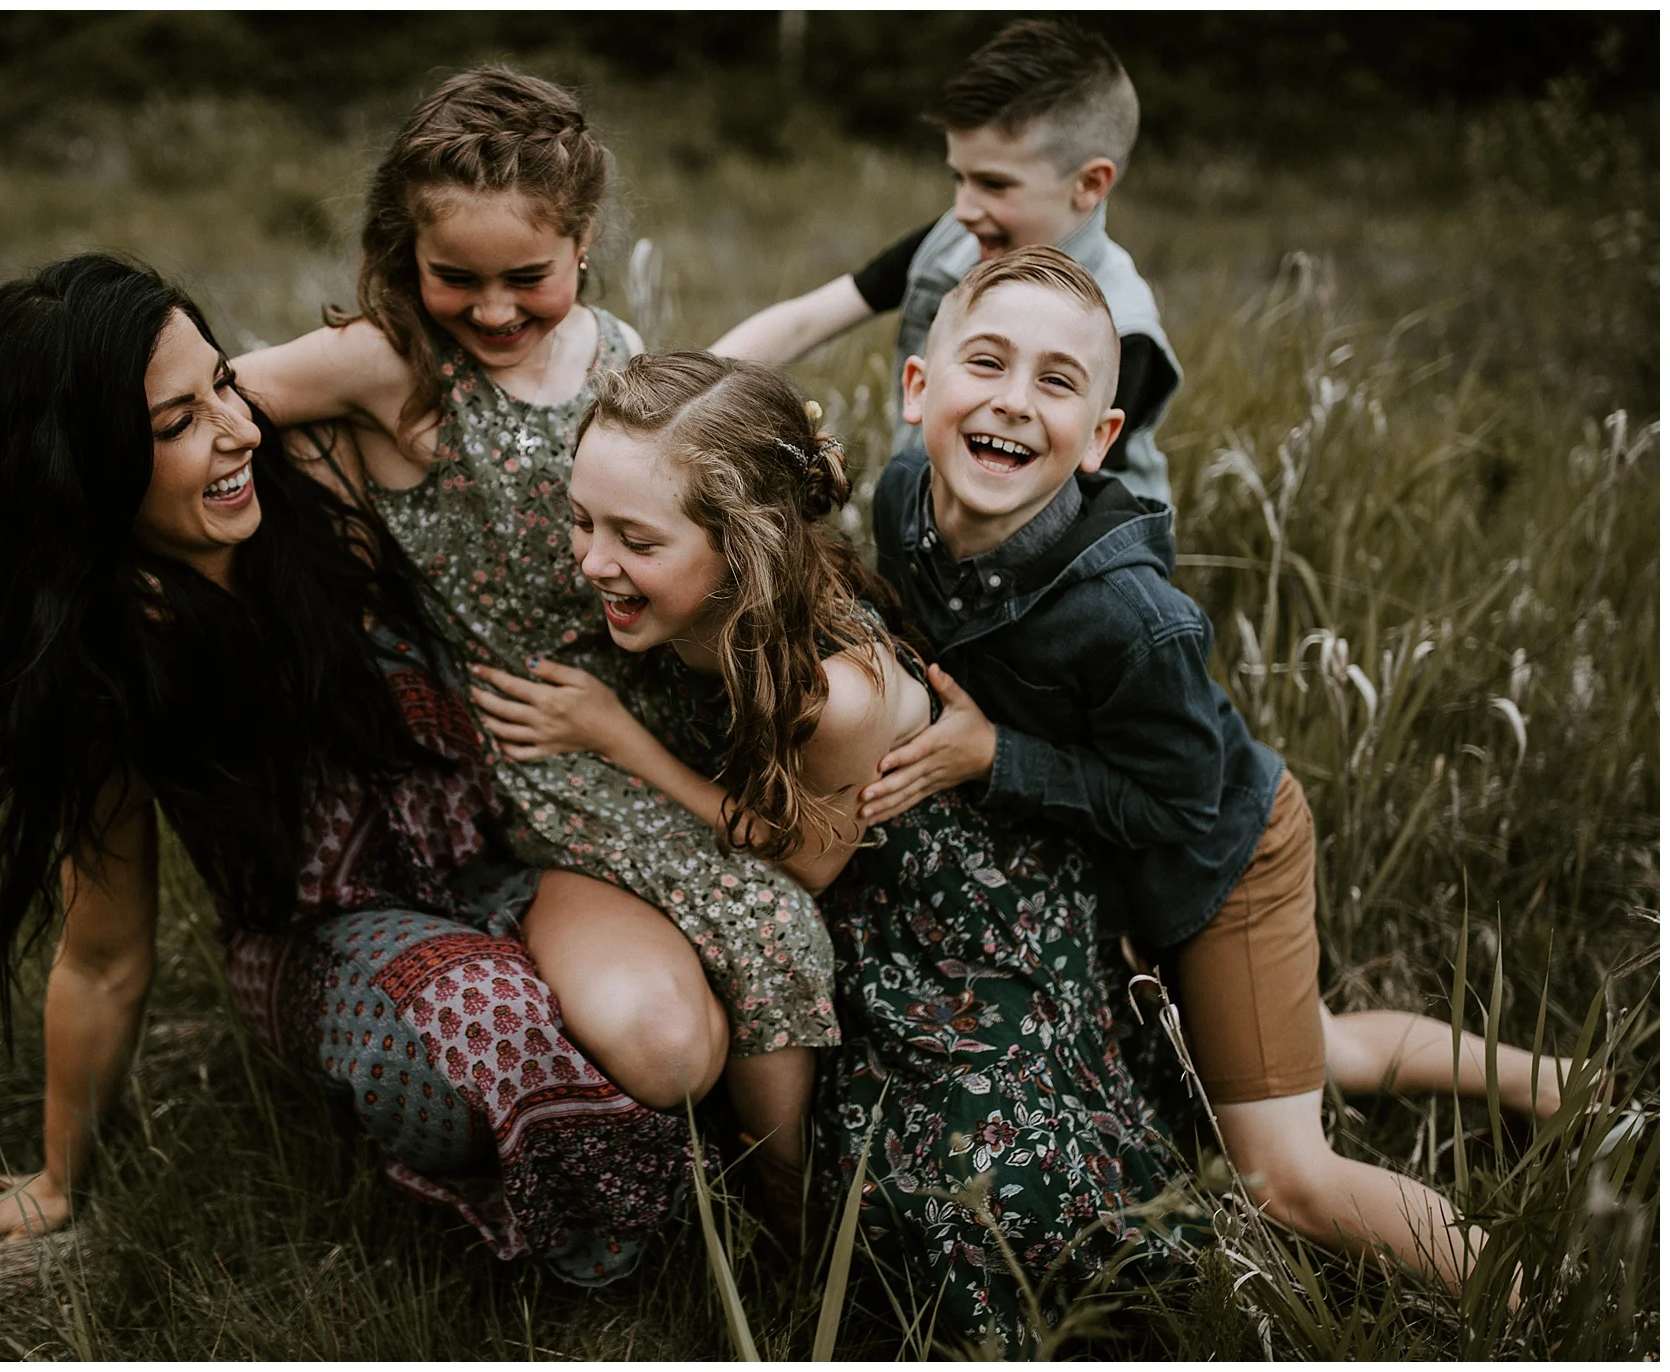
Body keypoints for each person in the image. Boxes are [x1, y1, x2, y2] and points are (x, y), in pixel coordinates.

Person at [0, 253, 724, 1285]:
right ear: (84, 468)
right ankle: (596, 1189)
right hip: (319, 927)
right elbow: (100, 953)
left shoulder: (318, 476)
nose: (234, 431)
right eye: (175, 423)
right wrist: (56, 1179)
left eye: (221, 382)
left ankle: (636, 1115)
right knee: (482, 1029)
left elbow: (441, 346)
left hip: (504, 855)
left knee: (671, 1021)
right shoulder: (105, 674)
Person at [858, 245, 1582, 1297]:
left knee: (1279, 1174)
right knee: (1310, 1043)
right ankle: (1556, 1085)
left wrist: (993, 756)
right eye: (985, 363)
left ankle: (1541, 1296)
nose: (1013, 403)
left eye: (1056, 381)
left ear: (1101, 439)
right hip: (1109, 852)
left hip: (1223, 857)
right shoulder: (899, 502)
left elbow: (1175, 801)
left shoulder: (1133, 620)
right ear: (917, 386)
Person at [469, 349, 1191, 1349]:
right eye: (582, 519)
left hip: (933, 913)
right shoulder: (701, 597)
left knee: (954, 1203)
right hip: (846, 870)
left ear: (741, 548)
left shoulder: (830, 695)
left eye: (632, 537)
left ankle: (794, 1246)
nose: (589, 559)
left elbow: (805, 862)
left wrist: (617, 739)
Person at [234, 67, 838, 1204]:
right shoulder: (395, 360)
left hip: (666, 697)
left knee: (805, 894)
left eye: (530, 277)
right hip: (548, 743)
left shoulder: (614, 347)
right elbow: (219, 399)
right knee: (768, 919)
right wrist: (318, 504)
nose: (496, 309)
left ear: (584, 239)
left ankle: (790, 1193)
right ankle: (786, 1207)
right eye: (454, 276)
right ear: (404, 247)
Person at [712, 18, 1180, 505]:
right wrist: (685, 391)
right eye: (960, 178)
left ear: (1089, 184)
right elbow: (804, 323)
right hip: (929, 526)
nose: (963, 208)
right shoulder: (952, 241)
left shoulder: (1123, 329)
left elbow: (1043, 508)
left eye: (994, 184)